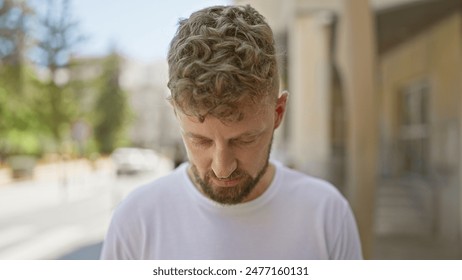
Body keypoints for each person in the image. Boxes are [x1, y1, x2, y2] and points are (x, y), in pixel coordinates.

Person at [100, 4, 362, 260]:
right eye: (200, 140)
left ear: (278, 113)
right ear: (176, 114)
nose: (222, 168)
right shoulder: (135, 222)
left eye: (244, 139)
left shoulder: (327, 215)